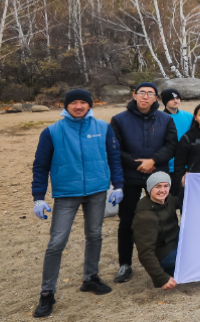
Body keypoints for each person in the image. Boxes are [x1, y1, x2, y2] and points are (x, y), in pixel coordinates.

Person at [30, 89, 122, 318]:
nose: (79, 106)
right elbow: (40, 166)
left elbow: (114, 157)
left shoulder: (103, 128)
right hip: (66, 193)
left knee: (95, 234)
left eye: (83, 102)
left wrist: (118, 185)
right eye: (74, 102)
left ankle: (90, 278)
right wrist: (38, 197)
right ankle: (47, 293)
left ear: (90, 105)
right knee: (56, 243)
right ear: (66, 106)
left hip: (97, 191)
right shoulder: (52, 132)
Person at [110, 82, 177, 285]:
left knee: (165, 216)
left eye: (150, 93)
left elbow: (171, 144)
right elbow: (114, 147)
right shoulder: (120, 120)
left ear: (156, 98)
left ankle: (168, 256)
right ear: (134, 95)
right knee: (128, 220)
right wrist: (137, 164)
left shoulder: (165, 119)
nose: (146, 97)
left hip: (158, 175)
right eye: (142, 93)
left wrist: (153, 161)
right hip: (130, 175)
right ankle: (125, 264)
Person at [132, 172, 181, 290]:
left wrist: (185, 184)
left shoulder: (168, 200)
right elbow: (145, 253)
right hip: (163, 254)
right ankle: (167, 270)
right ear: (149, 189)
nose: (162, 190)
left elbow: (183, 200)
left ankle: (173, 270)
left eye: (166, 186)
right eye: (157, 186)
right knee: (194, 257)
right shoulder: (145, 217)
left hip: (176, 243)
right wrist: (161, 278)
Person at [159, 89, 192, 177]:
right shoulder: (159, 118)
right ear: (165, 101)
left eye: (177, 98)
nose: (176, 100)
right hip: (168, 165)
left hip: (187, 163)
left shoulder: (188, 116)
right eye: (172, 99)